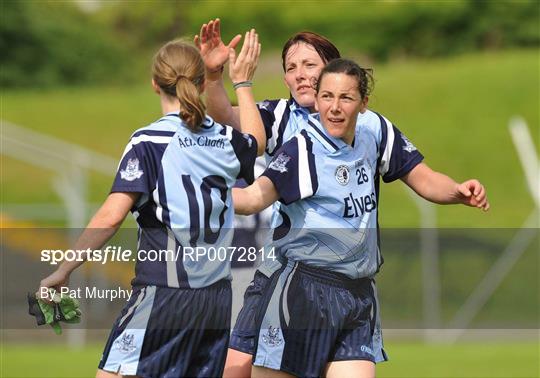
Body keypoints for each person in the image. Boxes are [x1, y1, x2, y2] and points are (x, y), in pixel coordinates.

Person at [231, 58, 489, 378]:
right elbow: (255, 197)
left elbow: (423, 177)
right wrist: (202, 196)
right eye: (327, 97)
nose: (335, 107)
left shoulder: (373, 133)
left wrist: (457, 190)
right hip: (303, 292)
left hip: (357, 295)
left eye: (346, 98)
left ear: (363, 103)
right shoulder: (303, 150)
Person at [37, 35, 262, 378]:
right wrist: (240, 82)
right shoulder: (226, 141)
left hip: (164, 296)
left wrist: (63, 269)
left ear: (155, 84)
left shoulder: (149, 141)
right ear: (200, 83)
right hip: (216, 300)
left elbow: (111, 217)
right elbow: (256, 143)